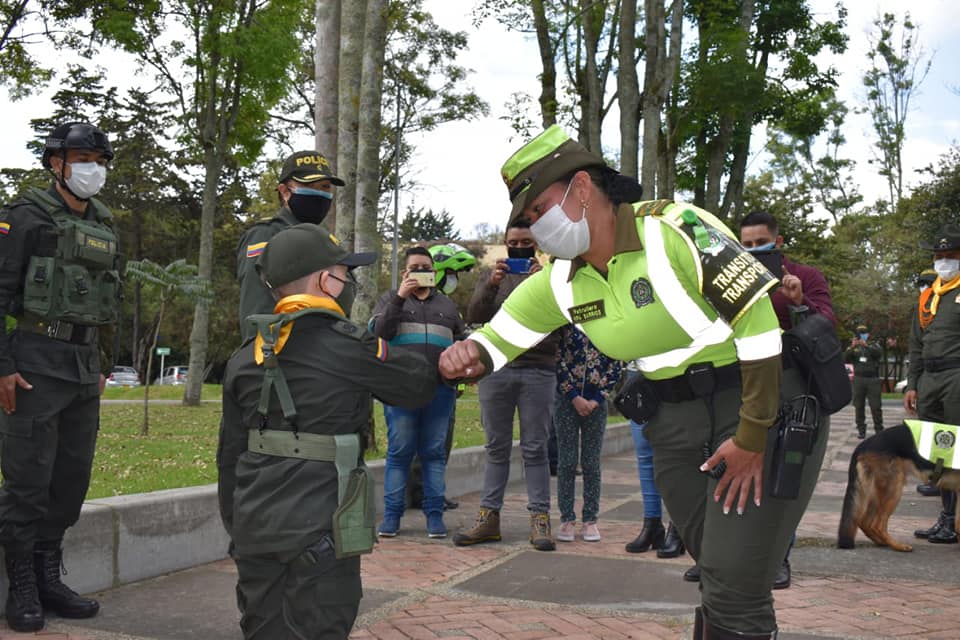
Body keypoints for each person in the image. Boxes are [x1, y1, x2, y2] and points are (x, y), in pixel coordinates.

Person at [440, 126, 815, 640]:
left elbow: (760, 326)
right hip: (674, 422)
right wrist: (468, 354)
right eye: (528, 219)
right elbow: (500, 338)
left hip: (757, 403)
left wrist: (753, 436)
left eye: (540, 209)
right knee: (713, 563)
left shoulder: (675, 229)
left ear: (582, 188)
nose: (536, 227)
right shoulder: (561, 281)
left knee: (736, 577)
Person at [217, 223, 437, 639]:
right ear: (325, 281)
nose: (347, 282)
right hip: (322, 530)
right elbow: (418, 385)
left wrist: (239, 527)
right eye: (344, 273)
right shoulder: (348, 346)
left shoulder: (244, 358)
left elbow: (229, 456)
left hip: (254, 529)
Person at [0, 122, 119, 632]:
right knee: (28, 480)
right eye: (83, 160)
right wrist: (3, 367)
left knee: (70, 480)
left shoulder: (104, 223)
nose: (93, 169)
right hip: (33, 361)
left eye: (99, 161)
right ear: (56, 163)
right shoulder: (24, 216)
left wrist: (103, 363)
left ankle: (49, 576)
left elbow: (109, 298)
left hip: (82, 365)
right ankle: (22, 585)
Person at [453, 220, 561, 551]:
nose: (519, 247)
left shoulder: (550, 277)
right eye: (514, 242)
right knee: (496, 447)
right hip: (496, 369)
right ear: (505, 242)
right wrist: (491, 285)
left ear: (536, 244)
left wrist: (542, 283)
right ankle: (488, 519)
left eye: (526, 242)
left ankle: (540, 519)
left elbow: (562, 323)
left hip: (538, 370)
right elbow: (475, 315)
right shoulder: (491, 276)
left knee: (535, 448)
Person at [370, 247, 466, 538]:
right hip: (402, 392)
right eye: (415, 268)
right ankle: (392, 517)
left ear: (434, 272)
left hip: (441, 390)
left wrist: (461, 375)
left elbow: (461, 342)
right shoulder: (390, 299)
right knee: (399, 453)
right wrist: (400, 297)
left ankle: (434, 516)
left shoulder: (448, 306)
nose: (421, 272)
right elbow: (379, 333)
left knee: (434, 455)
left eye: (426, 267)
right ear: (405, 272)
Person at [236, 150, 345, 340]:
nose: (320, 194)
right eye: (309, 186)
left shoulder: (326, 241)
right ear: (285, 191)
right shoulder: (267, 235)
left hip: (329, 349)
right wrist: (263, 353)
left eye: (325, 187)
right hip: (286, 352)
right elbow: (258, 308)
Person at [406, 243, 477, 512]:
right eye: (450, 274)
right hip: (415, 382)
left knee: (441, 441)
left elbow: (459, 338)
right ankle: (418, 493)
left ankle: (433, 492)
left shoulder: (446, 305)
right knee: (416, 442)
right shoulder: (402, 301)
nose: (453, 280)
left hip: (445, 384)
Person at [905, 223, 960, 545]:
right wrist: (912, 383)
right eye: (939, 256)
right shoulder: (928, 297)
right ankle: (946, 519)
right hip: (930, 380)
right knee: (939, 451)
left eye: (950, 255)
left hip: (956, 377)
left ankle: (953, 520)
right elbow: (916, 344)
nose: (943, 262)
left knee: (957, 451)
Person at [553, 325, 622, 542]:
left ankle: (590, 519)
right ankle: (567, 518)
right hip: (566, 401)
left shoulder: (608, 325)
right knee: (567, 461)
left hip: (596, 404)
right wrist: (573, 395)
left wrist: (597, 399)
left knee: (591, 462)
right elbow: (557, 358)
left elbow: (616, 363)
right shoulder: (566, 324)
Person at [623, 368, 684, 558]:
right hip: (638, 368)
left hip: (672, 368)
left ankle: (678, 527)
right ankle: (652, 524)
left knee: (675, 453)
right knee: (644, 453)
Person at [845, 323, 884, 438]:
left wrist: (866, 345)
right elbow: (845, 358)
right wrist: (852, 347)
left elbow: (878, 354)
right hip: (859, 379)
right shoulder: (854, 347)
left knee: (876, 406)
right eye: (859, 334)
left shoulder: (874, 345)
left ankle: (879, 429)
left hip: (872, 379)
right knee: (858, 406)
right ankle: (861, 430)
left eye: (863, 333)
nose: (861, 336)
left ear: (868, 334)